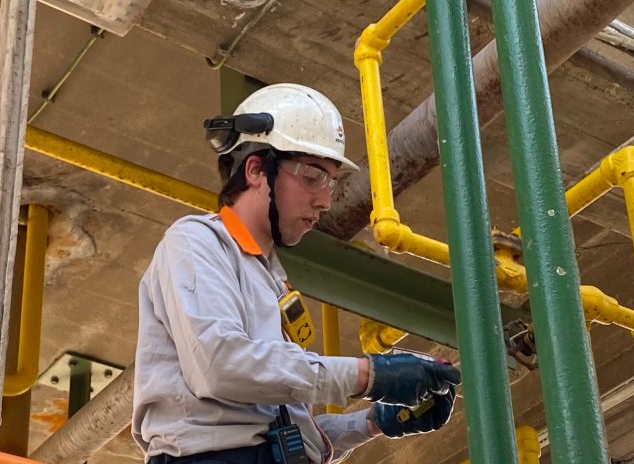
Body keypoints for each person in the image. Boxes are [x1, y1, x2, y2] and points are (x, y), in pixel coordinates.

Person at [132, 83, 462, 464]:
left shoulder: (269, 277)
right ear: (256, 169)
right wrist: (371, 375)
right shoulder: (197, 242)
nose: (324, 200)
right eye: (312, 176)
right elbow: (221, 366)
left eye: (330, 182)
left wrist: (373, 422)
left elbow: (281, 435)